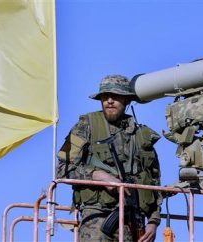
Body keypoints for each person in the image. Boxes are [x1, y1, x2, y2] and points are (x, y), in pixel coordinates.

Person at [57, 75, 162, 242]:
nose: (110, 101)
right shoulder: (85, 126)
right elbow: (62, 169)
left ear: (127, 100)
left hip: (133, 221)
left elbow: (154, 183)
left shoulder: (142, 136)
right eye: (105, 96)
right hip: (96, 219)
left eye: (116, 96)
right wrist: (98, 176)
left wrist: (154, 221)